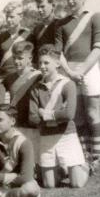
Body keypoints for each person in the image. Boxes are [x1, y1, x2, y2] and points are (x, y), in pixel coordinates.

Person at [55, 0, 100, 173]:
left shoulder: (95, 17)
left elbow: (98, 48)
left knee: (92, 113)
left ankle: (96, 158)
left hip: (89, 69)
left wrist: (81, 71)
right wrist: (69, 72)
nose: (70, 1)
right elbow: (58, 52)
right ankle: (84, 157)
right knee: (77, 116)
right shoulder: (61, 23)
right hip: (69, 71)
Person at [28, 44, 89, 188]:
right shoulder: (35, 88)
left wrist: (46, 114)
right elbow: (33, 118)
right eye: (40, 63)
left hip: (66, 134)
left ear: (57, 63)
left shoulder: (68, 84)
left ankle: (86, 164)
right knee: (49, 184)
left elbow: (69, 114)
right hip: (46, 136)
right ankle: (62, 169)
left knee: (77, 184)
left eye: (46, 63)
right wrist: (56, 115)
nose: (42, 66)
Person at [6, 41, 42, 165]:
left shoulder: (37, 76)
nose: (16, 62)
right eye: (14, 58)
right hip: (16, 123)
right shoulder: (9, 78)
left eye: (20, 58)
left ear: (30, 58)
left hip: (32, 124)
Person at [0, 1, 32, 89]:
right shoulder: (1, 37)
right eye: (7, 17)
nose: (8, 20)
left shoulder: (29, 35)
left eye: (12, 17)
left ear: (20, 17)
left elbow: (33, 60)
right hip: (3, 79)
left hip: (22, 78)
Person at [31, 0, 59, 67]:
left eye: (42, 6)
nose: (39, 10)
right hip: (41, 67)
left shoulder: (60, 25)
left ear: (53, 6)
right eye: (38, 7)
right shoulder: (37, 28)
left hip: (56, 67)